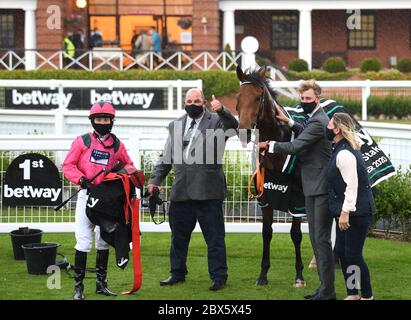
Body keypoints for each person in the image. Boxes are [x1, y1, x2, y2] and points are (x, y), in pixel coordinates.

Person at [148, 89, 238, 291]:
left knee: (214, 239)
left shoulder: (216, 121)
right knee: (178, 239)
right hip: (181, 192)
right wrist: (155, 180)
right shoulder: (176, 125)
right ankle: (177, 273)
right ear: (184, 103)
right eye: (189, 101)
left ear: (204, 102)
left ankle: (218, 277)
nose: (193, 103)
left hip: (208, 192)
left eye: (197, 100)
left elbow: (234, 126)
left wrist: (223, 110)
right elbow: (166, 156)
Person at [259, 80, 336, 300]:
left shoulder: (318, 120)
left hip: (319, 188)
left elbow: (296, 146)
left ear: (317, 99)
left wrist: (269, 145)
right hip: (312, 187)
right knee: (316, 239)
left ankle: (328, 291)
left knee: (320, 241)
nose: (304, 103)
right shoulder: (315, 119)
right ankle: (324, 289)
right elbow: (304, 131)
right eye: (302, 99)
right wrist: (289, 122)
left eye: (308, 99)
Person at [62, 101, 134, 300]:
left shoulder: (117, 144)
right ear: (92, 121)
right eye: (98, 119)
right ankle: (79, 288)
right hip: (86, 196)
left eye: (106, 119)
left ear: (112, 121)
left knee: (103, 241)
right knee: (84, 241)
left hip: (107, 200)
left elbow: (129, 166)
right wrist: (82, 179)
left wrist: (118, 174)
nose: (102, 122)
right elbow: (68, 165)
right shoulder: (82, 141)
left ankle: (101, 285)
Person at [326, 112, 375, 300]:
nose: (327, 129)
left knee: (353, 255)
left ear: (337, 129)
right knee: (343, 253)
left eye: (330, 126)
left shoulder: (345, 153)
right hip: (347, 211)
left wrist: (345, 213)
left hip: (357, 212)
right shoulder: (338, 148)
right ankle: (352, 293)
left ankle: (368, 296)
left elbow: (352, 185)